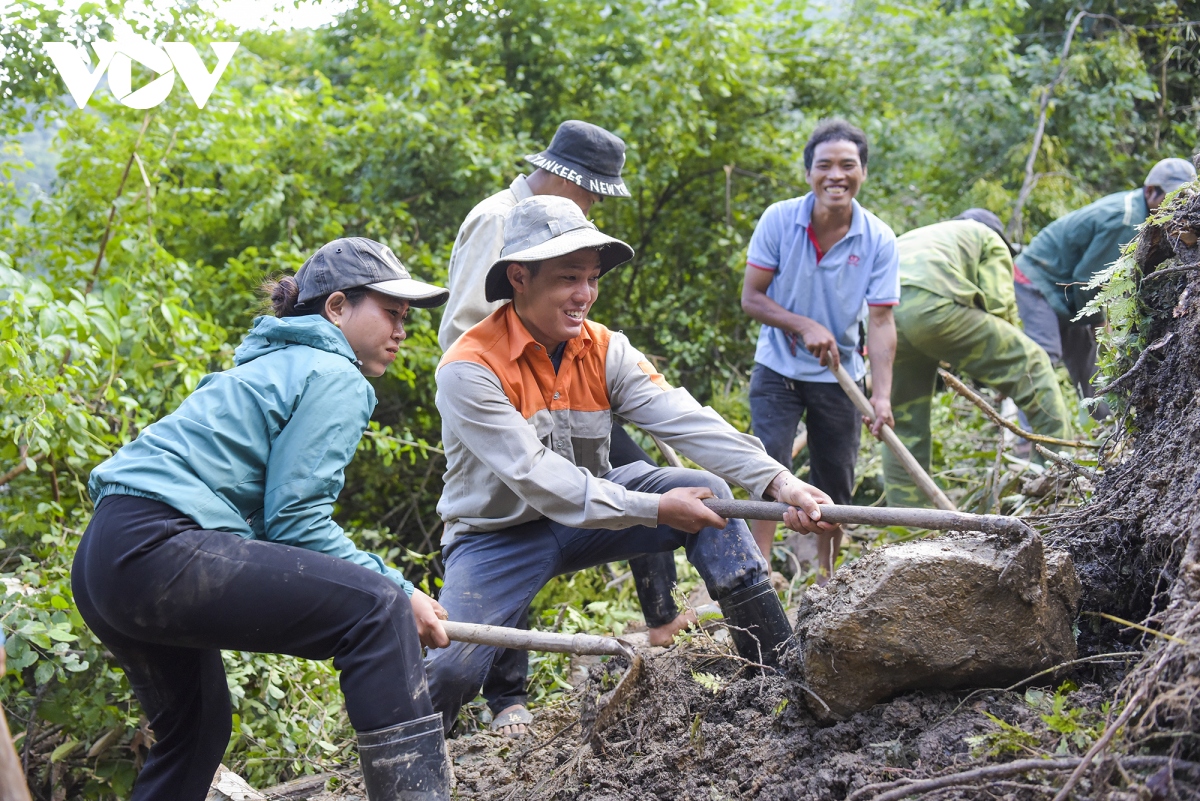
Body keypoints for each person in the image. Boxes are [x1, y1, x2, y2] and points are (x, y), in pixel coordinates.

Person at [426, 196, 833, 734]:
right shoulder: (468, 367)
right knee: (453, 668)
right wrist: (655, 507)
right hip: (496, 536)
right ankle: (407, 751)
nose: (585, 295)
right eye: (569, 278)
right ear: (519, 277)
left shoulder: (602, 347)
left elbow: (684, 418)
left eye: (592, 278)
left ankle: (781, 679)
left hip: (591, 516)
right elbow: (539, 478)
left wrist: (779, 481)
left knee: (706, 490)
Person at [73, 238, 454, 801]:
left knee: (196, 730)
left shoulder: (273, 361)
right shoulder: (334, 372)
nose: (402, 330)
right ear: (336, 307)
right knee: (378, 610)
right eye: (391, 313)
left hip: (104, 559)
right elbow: (296, 520)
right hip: (157, 548)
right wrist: (403, 592)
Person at [438, 120, 693, 738]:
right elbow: (466, 326)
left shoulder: (578, 285)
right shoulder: (498, 219)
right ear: (564, 178)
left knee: (642, 477)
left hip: (559, 375)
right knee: (515, 515)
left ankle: (668, 622)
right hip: (503, 390)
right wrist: (512, 381)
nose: (594, 208)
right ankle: (506, 695)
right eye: (593, 196)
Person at [740, 118, 899, 582]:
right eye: (824, 165)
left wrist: (882, 397)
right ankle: (758, 572)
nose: (836, 175)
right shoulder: (779, 219)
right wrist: (802, 324)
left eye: (847, 165)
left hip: (840, 373)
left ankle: (829, 579)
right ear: (809, 172)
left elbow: (882, 320)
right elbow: (752, 298)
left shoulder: (877, 238)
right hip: (777, 368)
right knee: (768, 464)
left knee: (836, 479)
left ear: (863, 172)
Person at [885, 209, 1071, 506]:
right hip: (931, 307)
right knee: (1033, 363)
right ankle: (1059, 472)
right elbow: (999, 305)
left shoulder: (921, 236)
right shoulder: (987, 237)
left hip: (884, 316)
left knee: (905, 417)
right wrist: (1006, 371)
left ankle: (907, 520)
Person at [1014, 157, 1197, 405]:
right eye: (1172, 199)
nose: (1176, 208)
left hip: (1066, 288)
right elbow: (1087, 279)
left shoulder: (1143, 211)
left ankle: (1101, 426)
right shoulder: (1125, 220)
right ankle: (1028, 437)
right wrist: (1099, 321)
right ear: (1151, 191)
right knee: (1044, 354)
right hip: (1038, 278)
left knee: (1087, 364)